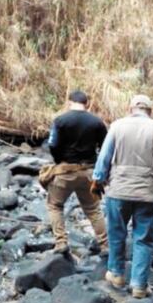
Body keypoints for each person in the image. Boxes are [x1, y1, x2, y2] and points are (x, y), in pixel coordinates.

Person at [92, 94, 153, 298]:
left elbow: (104, 157)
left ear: (130, 109)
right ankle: (139, 286)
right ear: (150, 111)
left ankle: (116, 274)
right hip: (148, 192)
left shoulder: (117, 126)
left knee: (117, 233)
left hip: (119, 189)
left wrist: (97, 180)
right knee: (143, 239)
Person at [44, 90, 109, 255]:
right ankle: (105, 245)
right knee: (93, 209)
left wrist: (59, 160)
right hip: (88, 172)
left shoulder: (60, 120)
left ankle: (60, 242)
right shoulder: (97, 122)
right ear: (86, 104)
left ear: (70, 102)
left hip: (65, 170)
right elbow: (105, 148)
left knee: (55, 205)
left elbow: (52, 144)